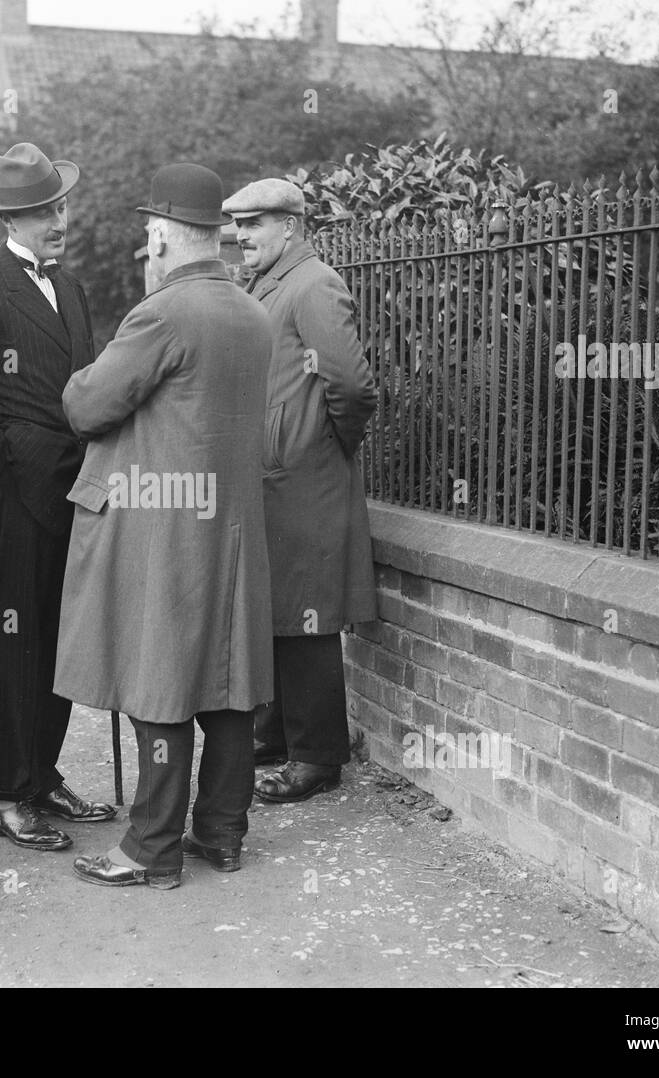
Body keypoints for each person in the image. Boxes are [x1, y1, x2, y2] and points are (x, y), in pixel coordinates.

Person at [55, 163, 275, 890]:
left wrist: (75, 377)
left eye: (148, 242)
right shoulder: (249, 310)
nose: (145, 255)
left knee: (161, 682)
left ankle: (150, 848)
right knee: (230, 679)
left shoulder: (163, 314)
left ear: (160, 237)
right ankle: (222, 832)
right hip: (232, 526)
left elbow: (89, 406)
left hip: (165, 529)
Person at [0, 143, 114, 853]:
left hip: (72, 483)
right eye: (45, 210)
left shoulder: (69, 289)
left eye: (62, 205)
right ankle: (7, 792)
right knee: (14, 637)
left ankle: (42, 775)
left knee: (59, 630)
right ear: (14, 217)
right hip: (13, 486)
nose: (59, 219)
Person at [222, 178, 380, 804]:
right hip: (271, 475)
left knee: (309, 615)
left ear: (290, 226)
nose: (242, 235)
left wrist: (321, 441)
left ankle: (317, 756)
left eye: (255, 223)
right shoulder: (265, 284)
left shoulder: (315, 283)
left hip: (305, 475)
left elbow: (352, 384)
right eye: (238, 225)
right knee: (279, 610)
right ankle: (278, 736)